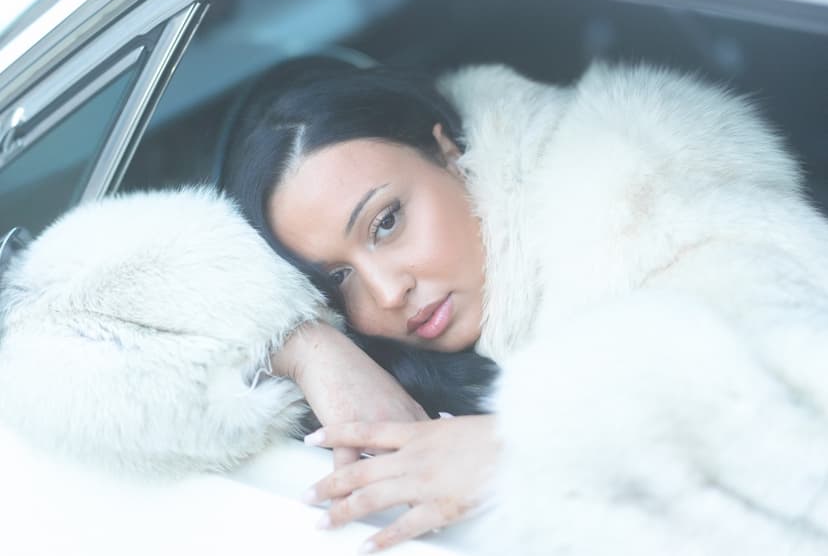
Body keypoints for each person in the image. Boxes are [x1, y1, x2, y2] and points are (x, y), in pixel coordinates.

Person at [220, 57, 828, 555]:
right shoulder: (351, 343)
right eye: (337, 279)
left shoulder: (641, 195)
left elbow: (797, 423)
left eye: (386, 222)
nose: (385, 293)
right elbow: (160, 359)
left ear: (445, 149)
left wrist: (525, 452)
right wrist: (304, 343)